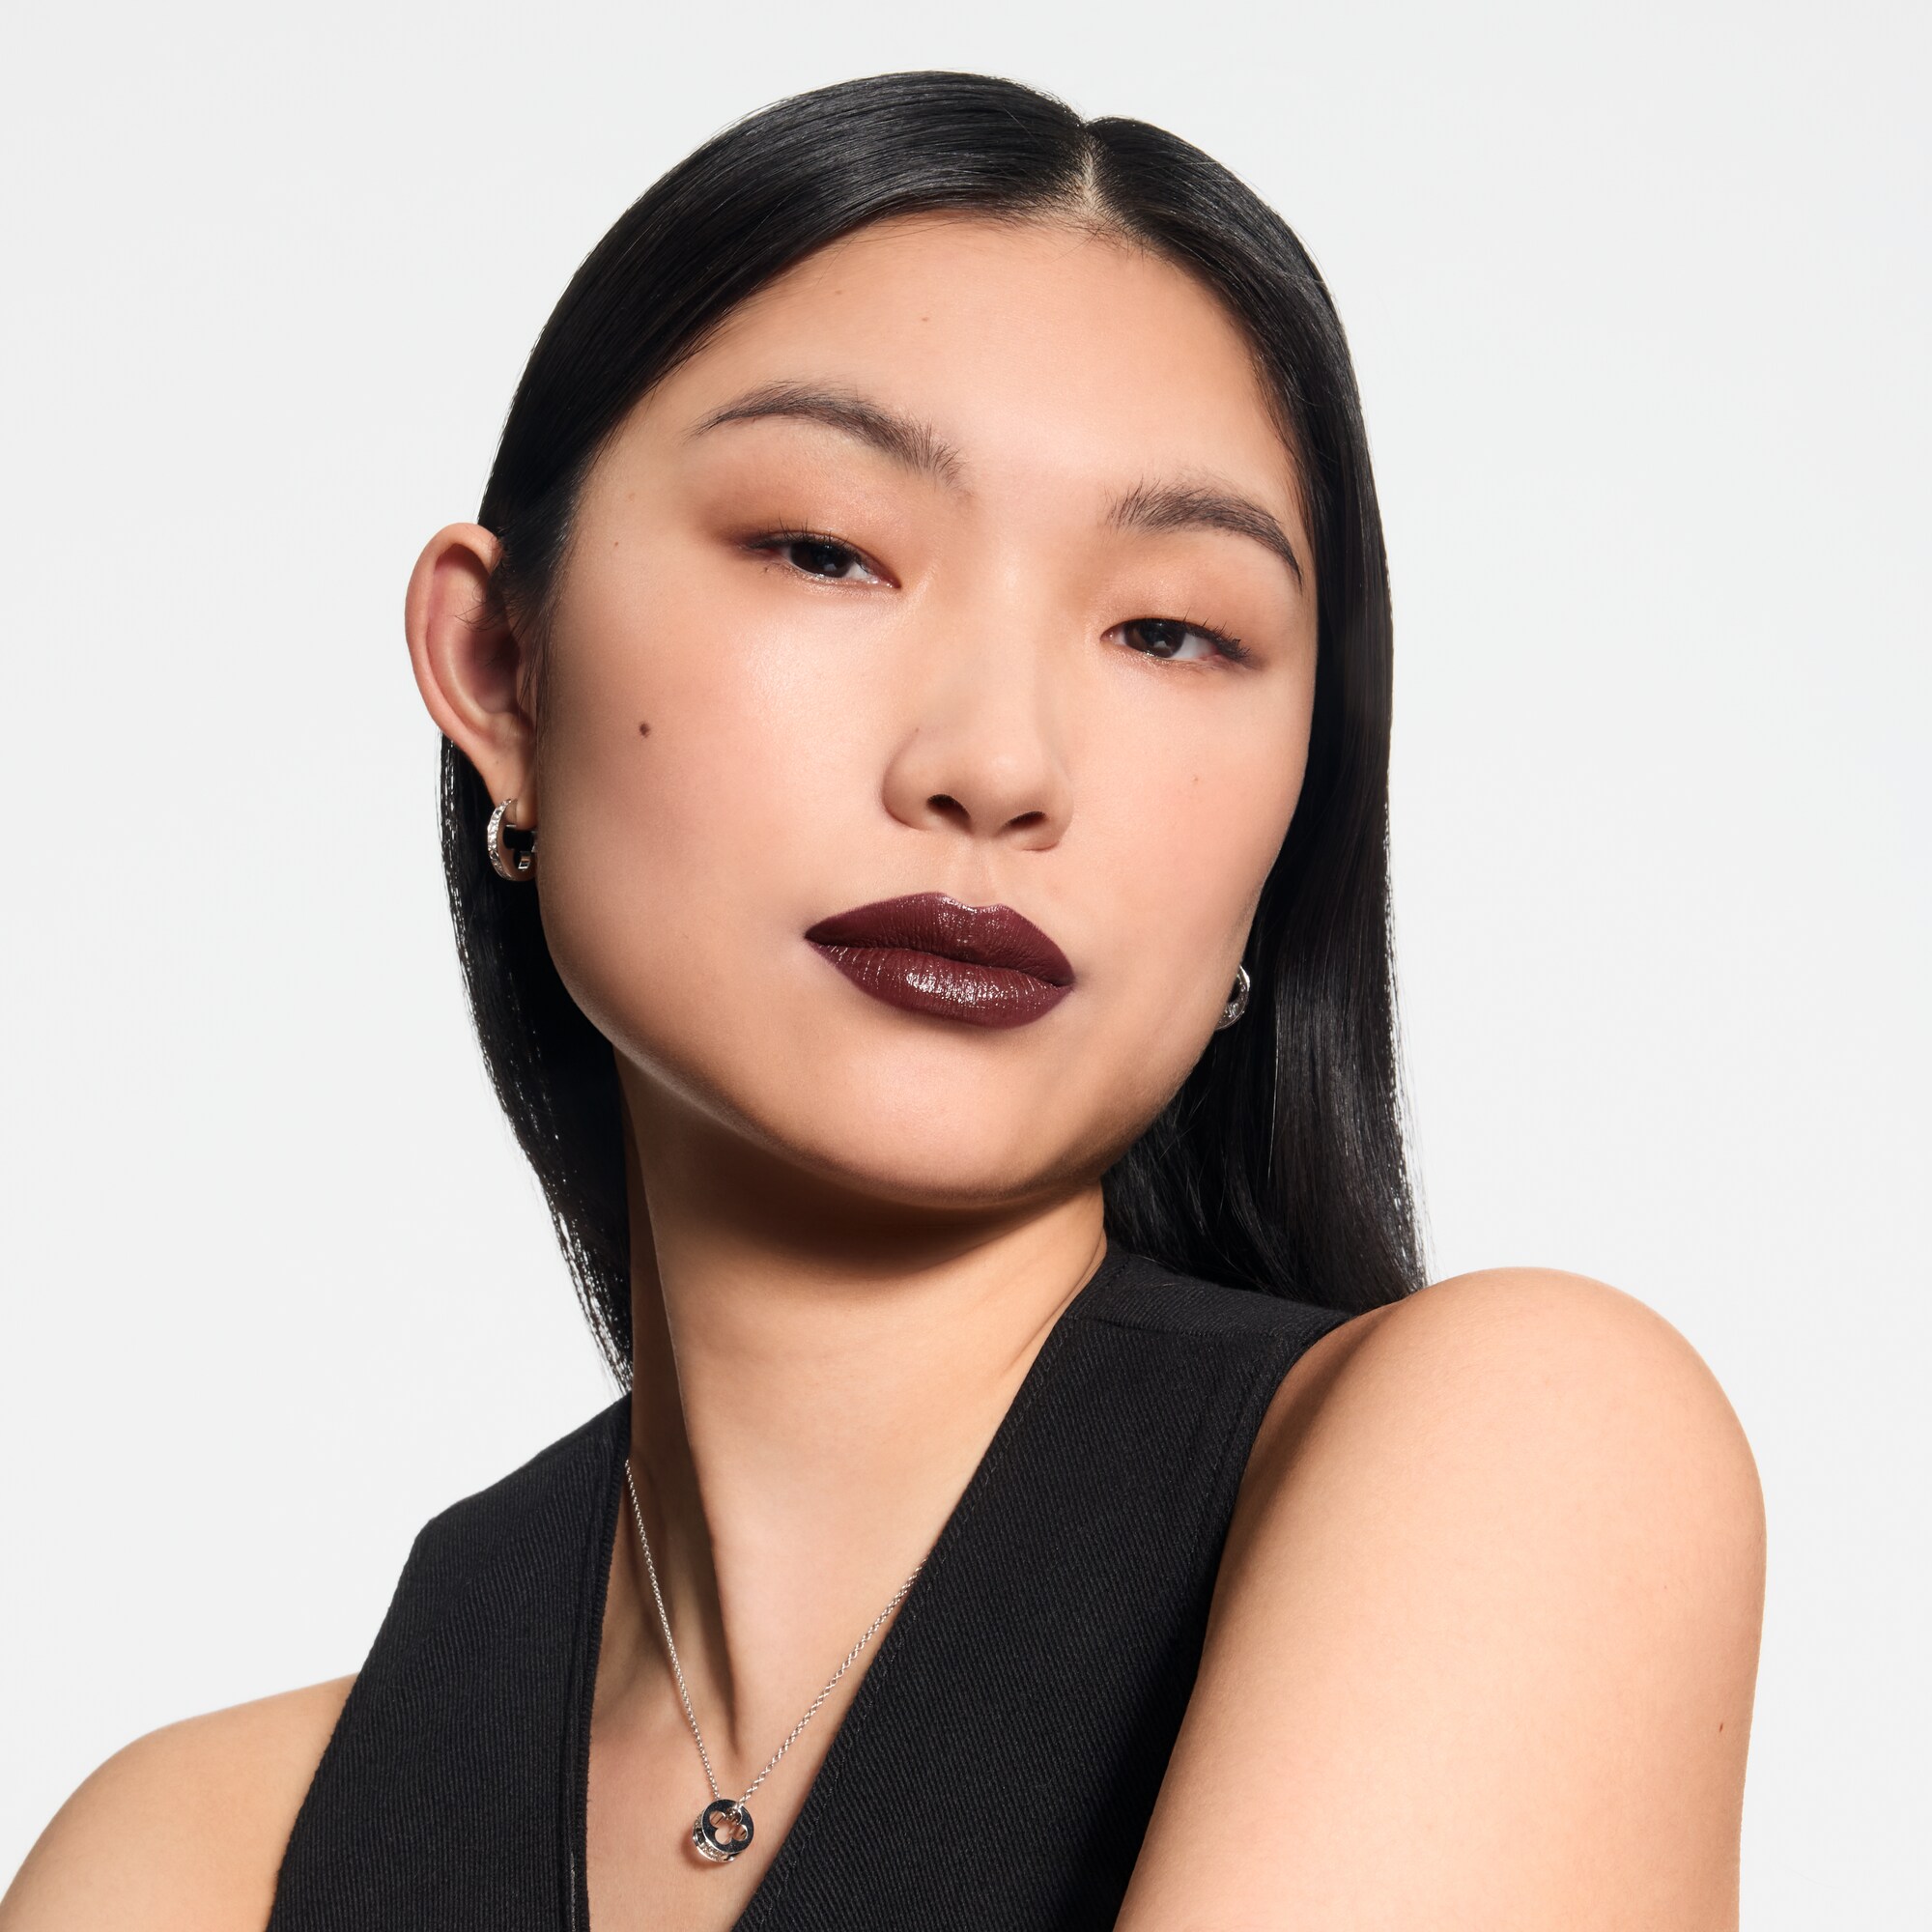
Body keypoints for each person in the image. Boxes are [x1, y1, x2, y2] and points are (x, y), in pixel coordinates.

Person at [1, 71, 1765, 1932]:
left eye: (1171, 631)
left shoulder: (1527, 1465)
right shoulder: (196, 1854)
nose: (997, 765)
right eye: (827, 550)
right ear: (503, 668)